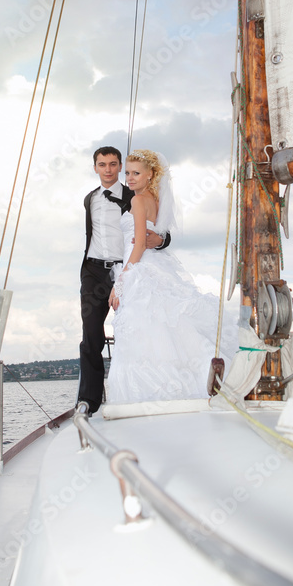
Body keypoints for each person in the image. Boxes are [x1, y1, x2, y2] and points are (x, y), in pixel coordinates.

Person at [106, 149, 230, 405]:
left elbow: (139, 244)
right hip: (154, 266)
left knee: (146, 332)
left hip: (140, 270)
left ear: (151, 174)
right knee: (165, 328)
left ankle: (149, 396)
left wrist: (119, 285)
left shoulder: (139, 201)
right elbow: (152, 237)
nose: (129, 178)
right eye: (127, 172)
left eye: (136, 173)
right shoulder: (155, 199)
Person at [77, 146, 170, 414]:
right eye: (102, 164)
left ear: (119, 167)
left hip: (126, 269)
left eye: (113, 164)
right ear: (95, 167)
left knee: (131, 330)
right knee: (91, 334)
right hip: (93, 271)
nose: (108, 169)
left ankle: (131, 389)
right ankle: (88, 401)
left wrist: (161, 240)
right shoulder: (89, 199)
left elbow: (158, 230)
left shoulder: (136, 194)